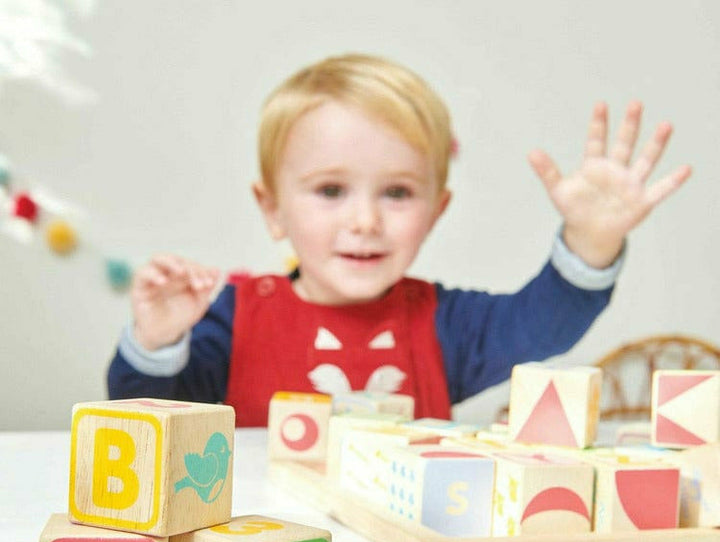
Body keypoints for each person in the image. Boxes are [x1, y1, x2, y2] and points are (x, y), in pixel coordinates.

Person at [107, 53, 691, 426]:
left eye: (397, 193)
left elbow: (543, 325)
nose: (365, 220)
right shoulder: (236, 316)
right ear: (273, 209)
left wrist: (590, 239)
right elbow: (143, 417)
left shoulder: (444, 323)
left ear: (436, 212)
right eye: (331, 190)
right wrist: (158, 341)